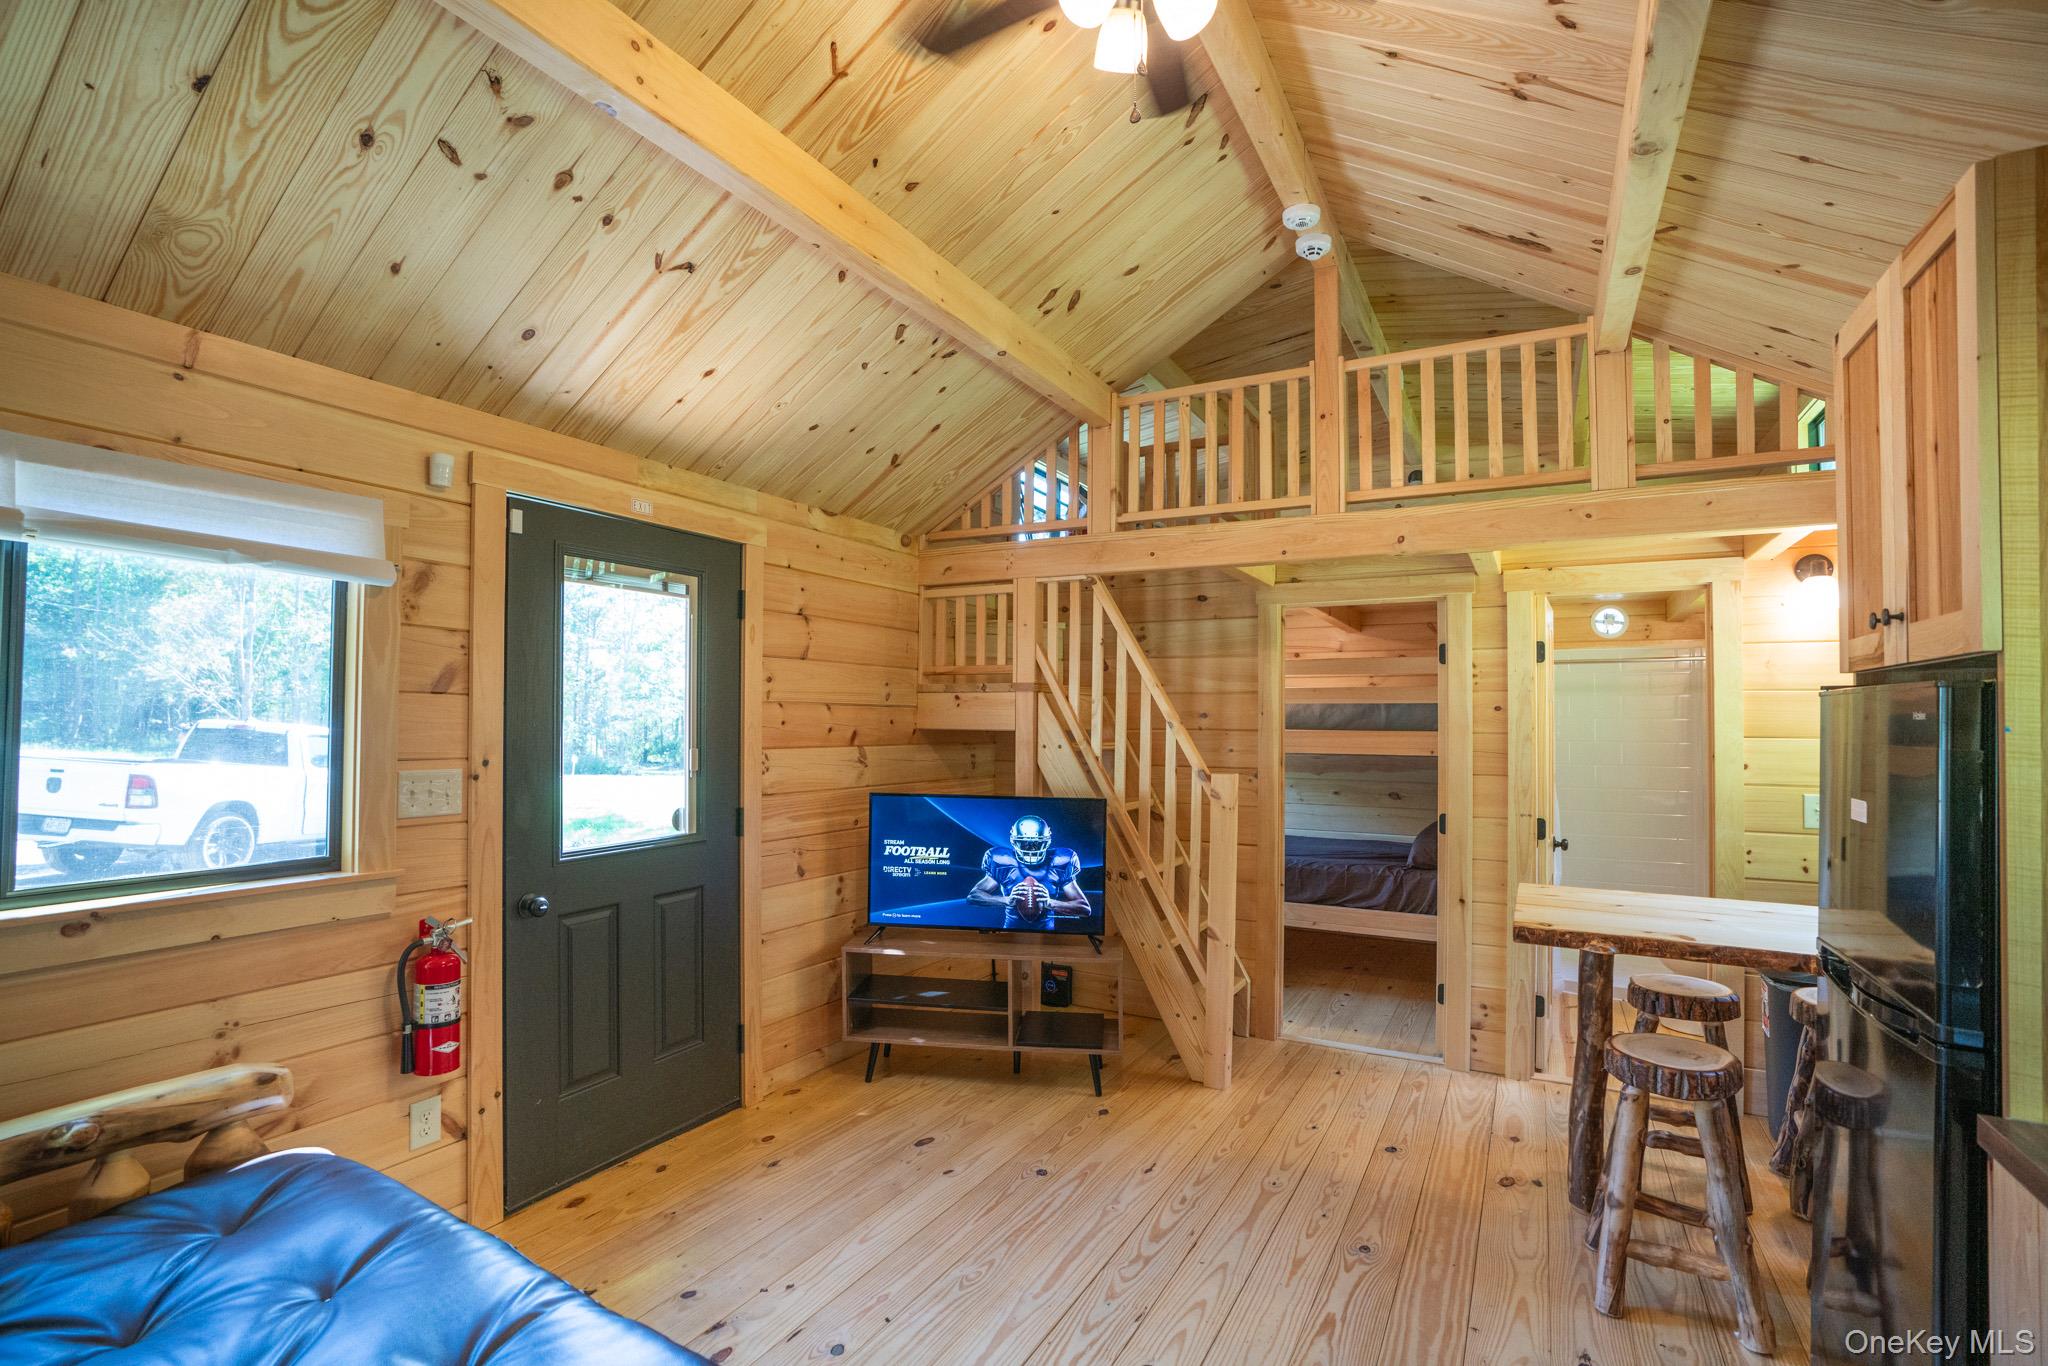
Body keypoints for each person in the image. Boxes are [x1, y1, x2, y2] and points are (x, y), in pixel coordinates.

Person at [966, 814, 1090, 930]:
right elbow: (973, 896)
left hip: (1048, 936)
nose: (1031, 849)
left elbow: (1084, 908)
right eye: (1024, 843)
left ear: (1047, 841)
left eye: (1036, 844)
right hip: (1009, 934)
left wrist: (1050, 903)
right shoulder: (1002, 860)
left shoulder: (1061, 861)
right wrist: (1006, 900)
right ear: (1014, 841)